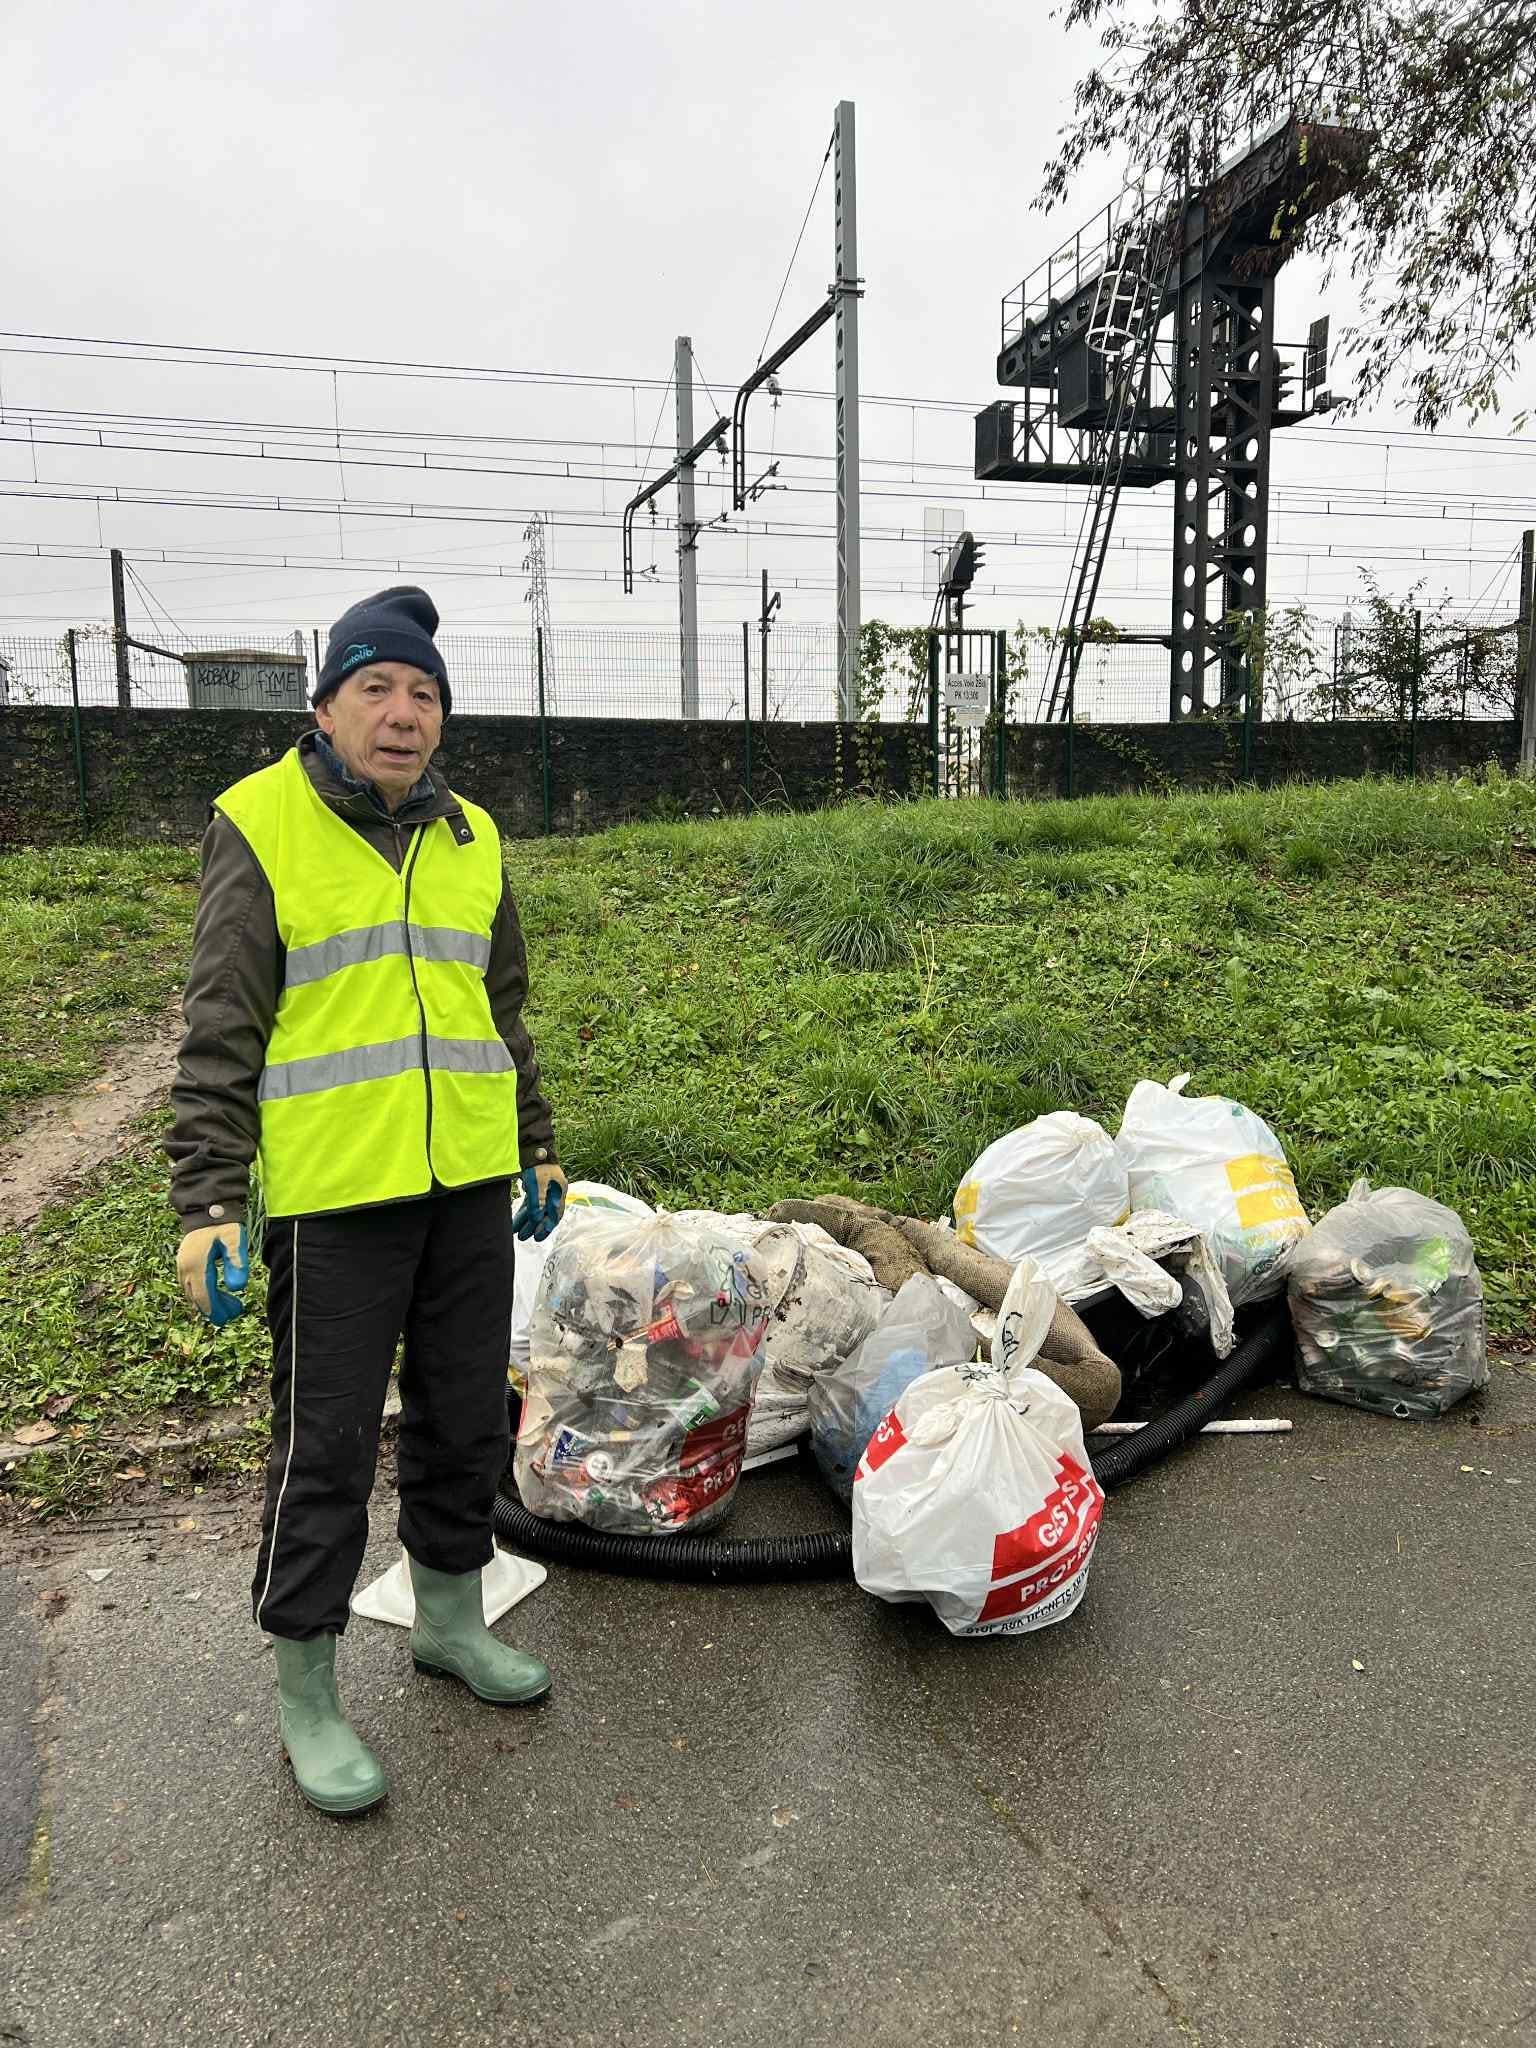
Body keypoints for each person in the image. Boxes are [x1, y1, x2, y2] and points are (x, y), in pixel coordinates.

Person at [166, 585, 566, 1818]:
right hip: (336, 1199)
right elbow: (221, 1027)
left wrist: (534, 1144)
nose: (403, 713)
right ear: (325, 704)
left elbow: (499, 1010)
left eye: (424, 692)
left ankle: (449, 1615)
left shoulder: (472, 838)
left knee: (466, 1419)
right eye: (376, 688)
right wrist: (207, 1199)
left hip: (464, 1189)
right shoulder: (261, 823)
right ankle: (307, 1687)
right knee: (326, 1448)